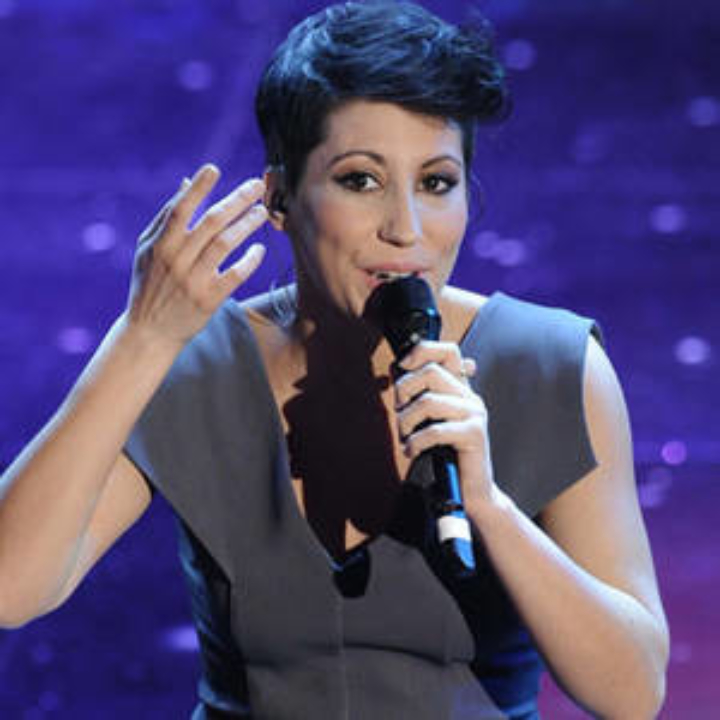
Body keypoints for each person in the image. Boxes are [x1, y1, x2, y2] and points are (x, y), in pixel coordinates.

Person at [0, 2, 669, 718]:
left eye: (436, 183)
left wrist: (488, 506)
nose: (406, 229)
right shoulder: (194, 362)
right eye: (360, 180)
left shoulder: (551, 366)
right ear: (280, 197)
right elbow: (11, 589)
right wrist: (142, 338)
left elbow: (633, 695)